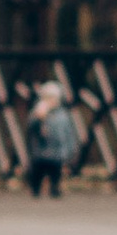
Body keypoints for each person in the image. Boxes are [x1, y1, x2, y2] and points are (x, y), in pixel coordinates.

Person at [24, 72, 81, 201]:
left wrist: (70, 151)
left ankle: (55, 188)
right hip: (40, 153)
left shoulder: (63, 116)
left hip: (56, 153)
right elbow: (31, 130)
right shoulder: (38, 113)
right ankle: (35, 189)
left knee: (55, 173)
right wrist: (39, 118)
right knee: (37, 172)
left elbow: (68, 134)